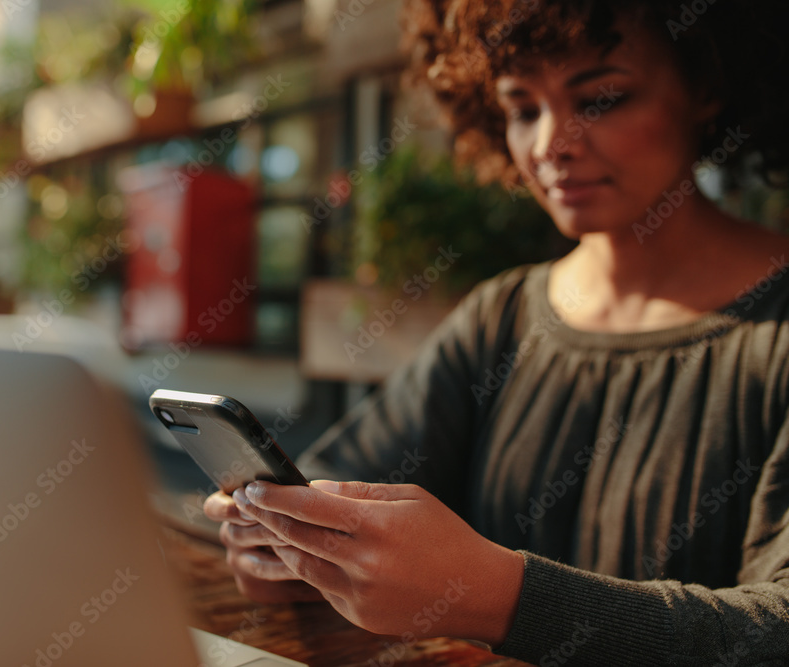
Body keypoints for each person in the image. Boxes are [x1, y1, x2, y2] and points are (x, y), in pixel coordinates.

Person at [205, 0, 789, 663]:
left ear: (707, 85)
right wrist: (285, 545)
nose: (550, 145)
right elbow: (346, 475)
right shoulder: (502, 318)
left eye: (601, 98)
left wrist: (491, 594)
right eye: (521, 109)